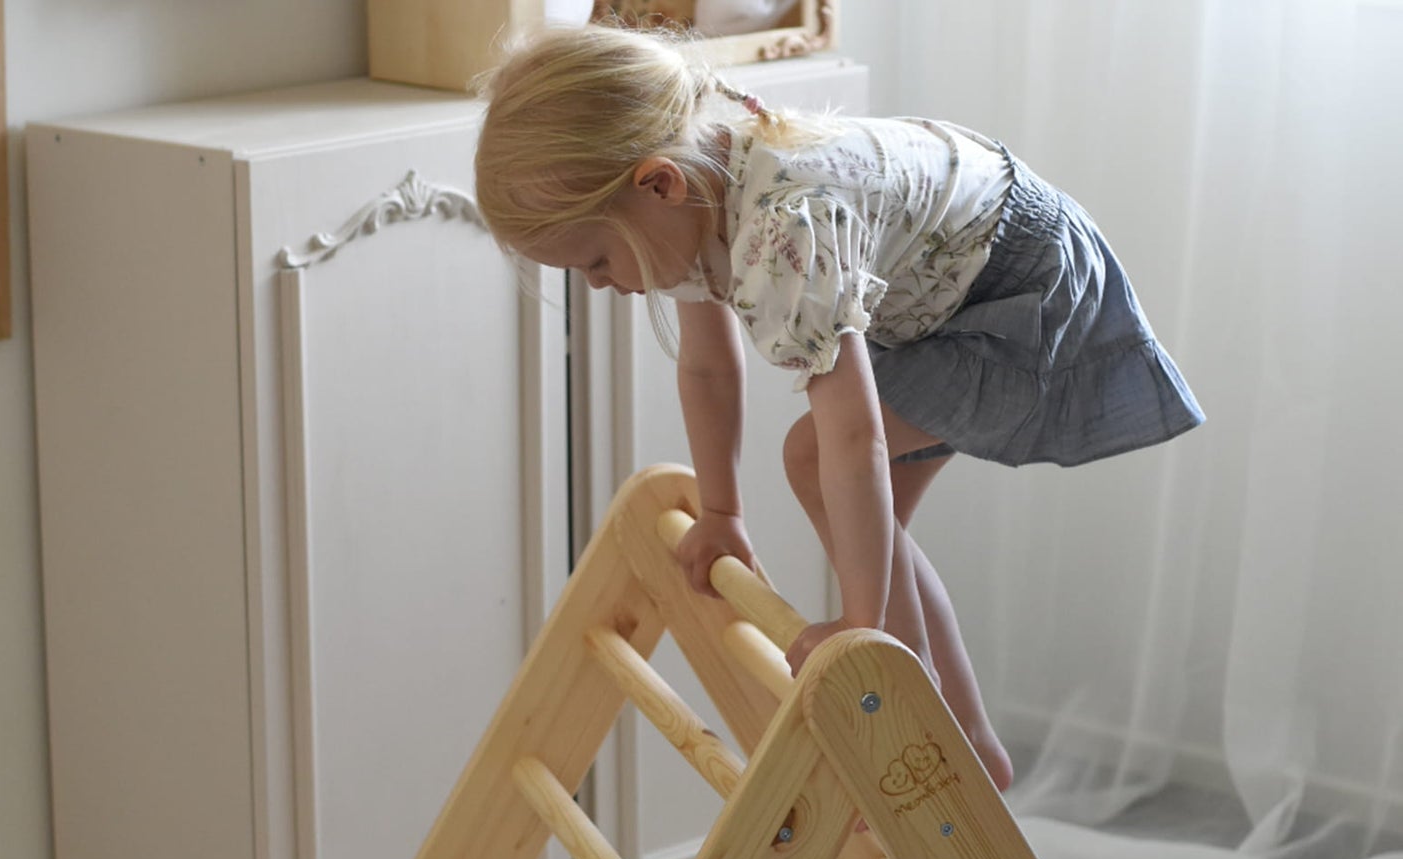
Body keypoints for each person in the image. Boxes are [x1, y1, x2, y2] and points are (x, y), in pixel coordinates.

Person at [473, 22, 1204, 794]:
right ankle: (961, 741)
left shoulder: (784, 228)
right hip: (938, 294)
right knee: (873, 534)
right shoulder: (686, 194)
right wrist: (721, 511)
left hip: (1021, 288)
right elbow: (709, 367)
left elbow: (853, 439)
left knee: (813, 459)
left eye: (595, 260)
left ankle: (920, 713)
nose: (596, 284)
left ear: (658, 185)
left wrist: (858, 626)